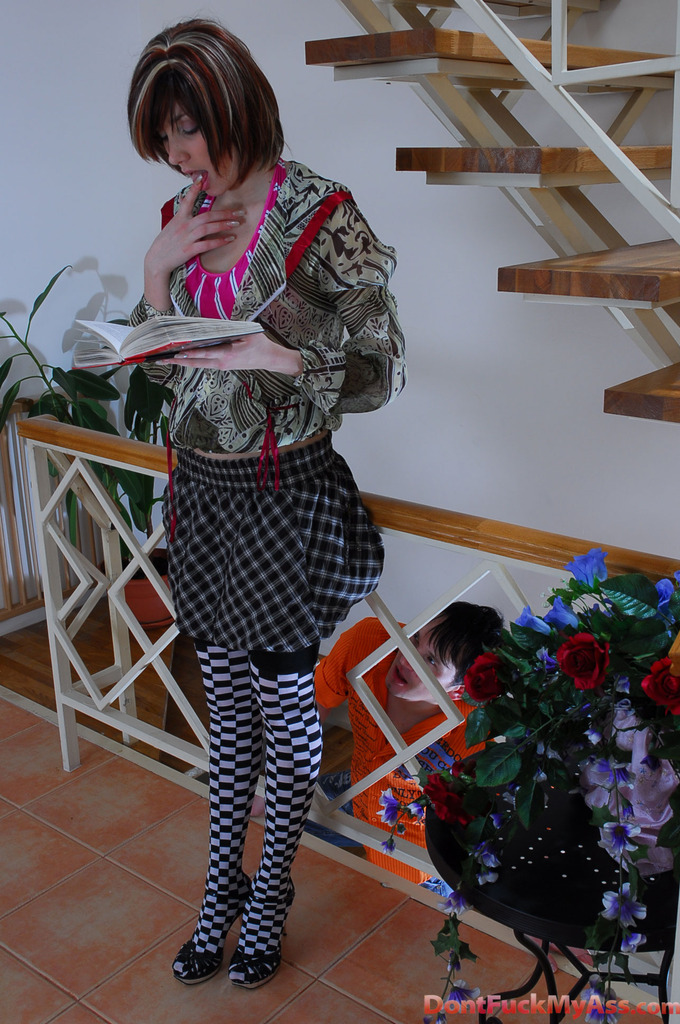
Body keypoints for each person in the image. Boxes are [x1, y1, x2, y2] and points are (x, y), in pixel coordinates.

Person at [126, 19, 405, 990]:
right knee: (229, 711)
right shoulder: (180, 211)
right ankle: (221, 892)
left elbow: (380, 368)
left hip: (285, 496)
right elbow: (162, 374)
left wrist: (286, 356)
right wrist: (156, 269)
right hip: (201, 494)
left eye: (187, 129)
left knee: (284, 712)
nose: (179, 155)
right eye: (164, 137)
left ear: (234, 108)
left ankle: (270, 888)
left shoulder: (323, 214)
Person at [311, 603, 503, 890]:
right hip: (356, 792)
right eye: (414, 639)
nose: (407, 659)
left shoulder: (483, 727)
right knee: (264, 813)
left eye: (431, 661)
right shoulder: (369, 643)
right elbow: (315, 703)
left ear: (459, 690)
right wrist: (284, 782)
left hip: (418, 853)